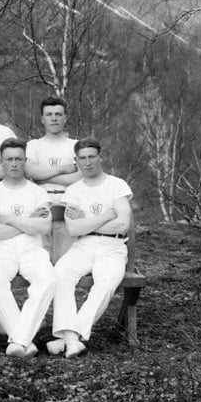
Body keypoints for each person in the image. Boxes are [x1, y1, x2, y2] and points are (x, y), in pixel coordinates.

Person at [47, 137, 133, 358]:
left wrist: (87, 222)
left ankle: (70, 336)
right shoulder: (74, 191)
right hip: (82, 246)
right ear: (76, 161)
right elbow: (74, 230)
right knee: (60, 274)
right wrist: (105, 215)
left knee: (105, 284)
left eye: (91, 157)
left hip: (112, 247)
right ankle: (72, 338)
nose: (88, 162)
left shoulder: (117, 185)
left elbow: (123, 224)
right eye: (82, 158)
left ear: (100, 157)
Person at [0, 138, 57, 358]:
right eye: (9, 159)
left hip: (32, 250)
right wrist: (26, 222)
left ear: (25, 161)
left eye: (18, 159)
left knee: (48, 280)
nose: (14, 163)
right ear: (2, 162)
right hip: (2, 251)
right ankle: (25, 340)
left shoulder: (38, 193)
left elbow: (43, 225)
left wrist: (9, 219)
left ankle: (18, 340)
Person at [25, 96, 81, 261]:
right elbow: (31, 173)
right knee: (42, 264)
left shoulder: (75, 146)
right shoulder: (33, 145)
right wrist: (63, 169)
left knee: (65, 263)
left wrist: (44, 177)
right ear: (42, 119)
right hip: (41, 210)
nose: (54, 118)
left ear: (65, 118)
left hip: (67, 210)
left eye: (58, 114)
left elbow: (79, 177)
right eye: (49, 114)